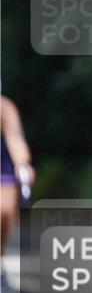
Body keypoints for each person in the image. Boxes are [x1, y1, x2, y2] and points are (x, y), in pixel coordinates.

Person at [1, 94, 36, 263]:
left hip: (3, 165)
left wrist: (22, 163)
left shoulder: (4, 107)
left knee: (5, 211)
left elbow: (15, 137)